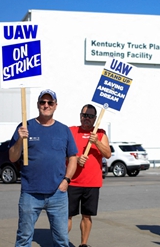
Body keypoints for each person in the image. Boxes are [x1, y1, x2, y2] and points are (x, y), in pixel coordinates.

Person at [9, 89, 78, 247]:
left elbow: (73, 157)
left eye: (50, 102)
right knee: (24, 238)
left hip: (57, 194)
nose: (46, 105)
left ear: (55, 106)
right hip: (30, 193)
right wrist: (20, 139)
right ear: (38, 104)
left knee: (61, 239)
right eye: (42, 102)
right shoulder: (25, 126)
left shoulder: (64, 130)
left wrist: (66, 180)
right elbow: (12, 157)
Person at [67, 104, 111, 247]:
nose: (87, 118)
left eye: (90, 116)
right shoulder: (71, 131)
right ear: (80, 116)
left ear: (95, 118)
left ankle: (83, 244)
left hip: (92, 183)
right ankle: (61, 242)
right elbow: (61, 153)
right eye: (84, 115)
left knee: (87, 215)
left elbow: (108, 154)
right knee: (66, 215)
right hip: (72, 181)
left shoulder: (100, 133)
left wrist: (96, 142)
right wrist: (76, 158)